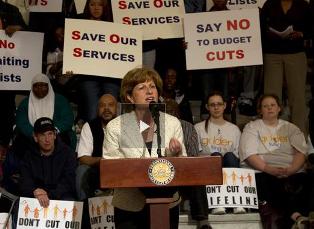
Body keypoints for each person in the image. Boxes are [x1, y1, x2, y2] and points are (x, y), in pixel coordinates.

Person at [103, 67, 187, 229]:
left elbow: (183, 166)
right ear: (129, 97)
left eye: (153, 87)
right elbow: (111, 167)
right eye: (142, 88)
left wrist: (176, 154)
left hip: (167, 202)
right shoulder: (115, 126)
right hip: (130, 204)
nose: (149, 91)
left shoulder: (172, 123)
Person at [239, 94, 308, 228]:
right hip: (262, 171)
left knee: (304, 181)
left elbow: (301, 152)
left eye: (273, 105)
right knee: (274, 184)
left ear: (279, 108)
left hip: (290, 170)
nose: (269, 108)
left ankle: (299, 218)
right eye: (265, 106)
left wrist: (291, 170)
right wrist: (269, 169)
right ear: (260, 110)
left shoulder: (291, 128)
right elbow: (249, 154)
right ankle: (297, 217)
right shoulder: (252, 127)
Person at [260, 0, 311, 135]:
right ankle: (270, 135)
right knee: (271, 96)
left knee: (297, 96)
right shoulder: (269, 4)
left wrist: (302, 34)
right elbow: (260, 27)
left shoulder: (303, 5)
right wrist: (268, 33)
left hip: (295, 53)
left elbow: (310, 27)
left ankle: (300, 136)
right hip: (272, 54)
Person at [194, 91, 245, 215]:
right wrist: (215, 157)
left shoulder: (234, 129)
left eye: (219, 104)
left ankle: (236, 201)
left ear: (225, 106)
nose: (216, 107)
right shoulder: (198, 128)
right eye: (212, 105)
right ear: (207, 107)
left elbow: (238, 154)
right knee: (216, 156)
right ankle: (218, 202)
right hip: (208, 168)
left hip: (229, 167)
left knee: (230, 156)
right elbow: (196, 154)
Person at [164, 98, 212, 229]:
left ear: (178, 114)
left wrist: (178, 155)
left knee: (197, 173)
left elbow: (193, 157)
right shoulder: (154, 127)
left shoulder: (188, 127)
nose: (169, 115)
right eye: (165, 111)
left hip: (182, 171)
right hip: (161, 172)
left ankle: (203, 221)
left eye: (172, 112)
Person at [76, 0, 120, 122]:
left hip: (111, 75)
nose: (96, 8)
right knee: (92, 111)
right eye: (92, 4)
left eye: (100, 5)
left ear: (105, 7)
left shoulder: (116, 26)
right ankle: (94, 139)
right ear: (87, 7)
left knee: (111, 111)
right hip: (88, 75)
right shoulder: (78, 27)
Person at [19, 117, 77, 208]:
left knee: (70, 202)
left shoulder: (67, 153)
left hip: (61, 196)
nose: (47, 139)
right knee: (21, 204)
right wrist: (34, 191)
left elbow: (68, 182)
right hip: (36, 196)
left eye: (50, 134)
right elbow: (25, 181)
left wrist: (48, 195)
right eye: (42, 135)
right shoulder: (28, 155)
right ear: (35, 137)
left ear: (55, 135)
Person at [0, 0, 27, 181]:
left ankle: (2, 157)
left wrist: (18, 30)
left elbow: (29, 40)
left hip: (6, 75)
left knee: (5, 115)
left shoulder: (11, 10)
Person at [15, 73, 76, 149]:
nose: (39, 88)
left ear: (49, 86)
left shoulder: (60, 100)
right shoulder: (25, 103)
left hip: (56, 134)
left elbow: (67, 119)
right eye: (36, 86)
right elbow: (21, 122)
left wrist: (53, 132)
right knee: (21, 142)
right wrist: (35, 134)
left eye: (43, 85)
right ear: (32, 87)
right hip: (33, 135)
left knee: (64, 139)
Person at [76, 93, 118, 200]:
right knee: (81, 170)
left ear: (117, 109)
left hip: (120, 169)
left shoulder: (125, 125)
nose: (107, 109)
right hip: (97, 170)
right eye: (102, 105)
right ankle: (85, 208)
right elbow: (83, 158)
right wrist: (102, 160)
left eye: (111, 105)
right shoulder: (89, 126)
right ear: (97, 109)